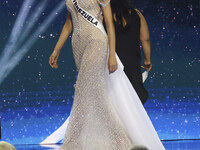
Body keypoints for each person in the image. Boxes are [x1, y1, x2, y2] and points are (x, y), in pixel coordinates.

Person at [47, 0, 166, 149]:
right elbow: (68, 23)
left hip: (96, 42)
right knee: (90, 93)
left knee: (84, 90)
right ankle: (91, 138)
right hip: (78, 45)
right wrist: (56, 49)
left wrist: (111, 55)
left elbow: (109, 25)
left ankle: (116, 137)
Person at [106, 0, 152, 104]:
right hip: (132, 61)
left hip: (112, 61)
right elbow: (145, 39)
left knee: (114, 96)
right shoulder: (137, 14)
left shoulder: (106, 15)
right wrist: (147, 59)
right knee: (135, 95)